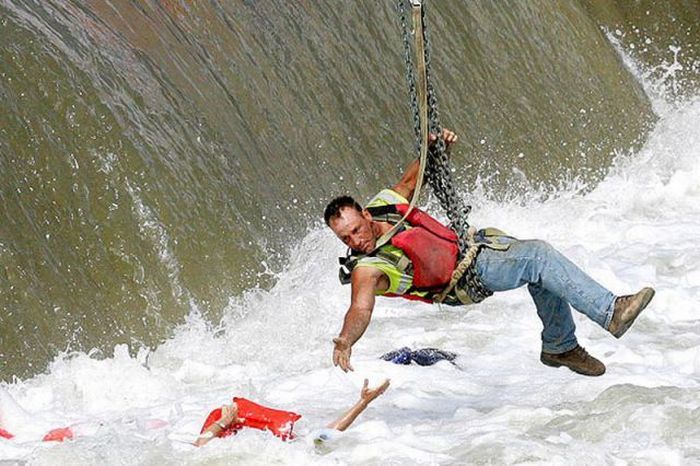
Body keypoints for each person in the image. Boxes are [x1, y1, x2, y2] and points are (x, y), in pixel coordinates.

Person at [324, 129, 655, 377]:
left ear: (365, 214)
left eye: (356, 229)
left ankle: (560, 345)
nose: (355, 240)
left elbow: (413, 179)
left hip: (475, 248)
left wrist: (436, 149)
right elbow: (360, 307)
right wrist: (346, 339)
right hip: (465, 279)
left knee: (541, 274)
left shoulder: (383, 206)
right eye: (345, 238)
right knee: (537, 256)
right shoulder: (368, 268)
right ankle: (610, 312)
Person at [194, 378, 390, 447]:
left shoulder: (286, 444)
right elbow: (200, 446)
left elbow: (325, 435)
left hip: (229, 423)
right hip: (229, 424)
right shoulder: (284, 444)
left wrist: (363, 403)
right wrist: (363, 403)